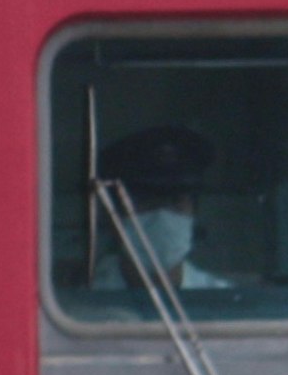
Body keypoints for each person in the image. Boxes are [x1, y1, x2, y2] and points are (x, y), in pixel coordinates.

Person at [94, 121, 232, 293]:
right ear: (111, 215)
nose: (162, 215)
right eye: (145, 200)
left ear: (193, 213)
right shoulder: (78, 304)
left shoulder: (221, 305)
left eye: (175, 201)